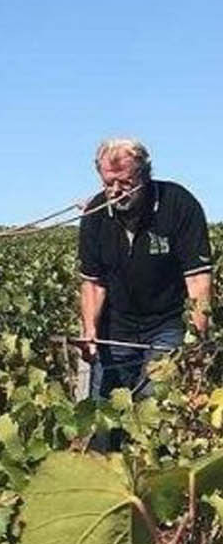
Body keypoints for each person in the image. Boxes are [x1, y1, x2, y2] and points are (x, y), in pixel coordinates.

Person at [77, 138, 212, 444]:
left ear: (145, 174)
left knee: (157, 406)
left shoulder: (179, 204)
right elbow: (93, 284)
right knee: (105, 416)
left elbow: (198, 281)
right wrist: (89, 331)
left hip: (167, 322)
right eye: (109, 182)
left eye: (125, 182)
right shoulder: (95, 214)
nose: (116, 191)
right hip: (118, 324)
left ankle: (157, 483)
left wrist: (197, 342)